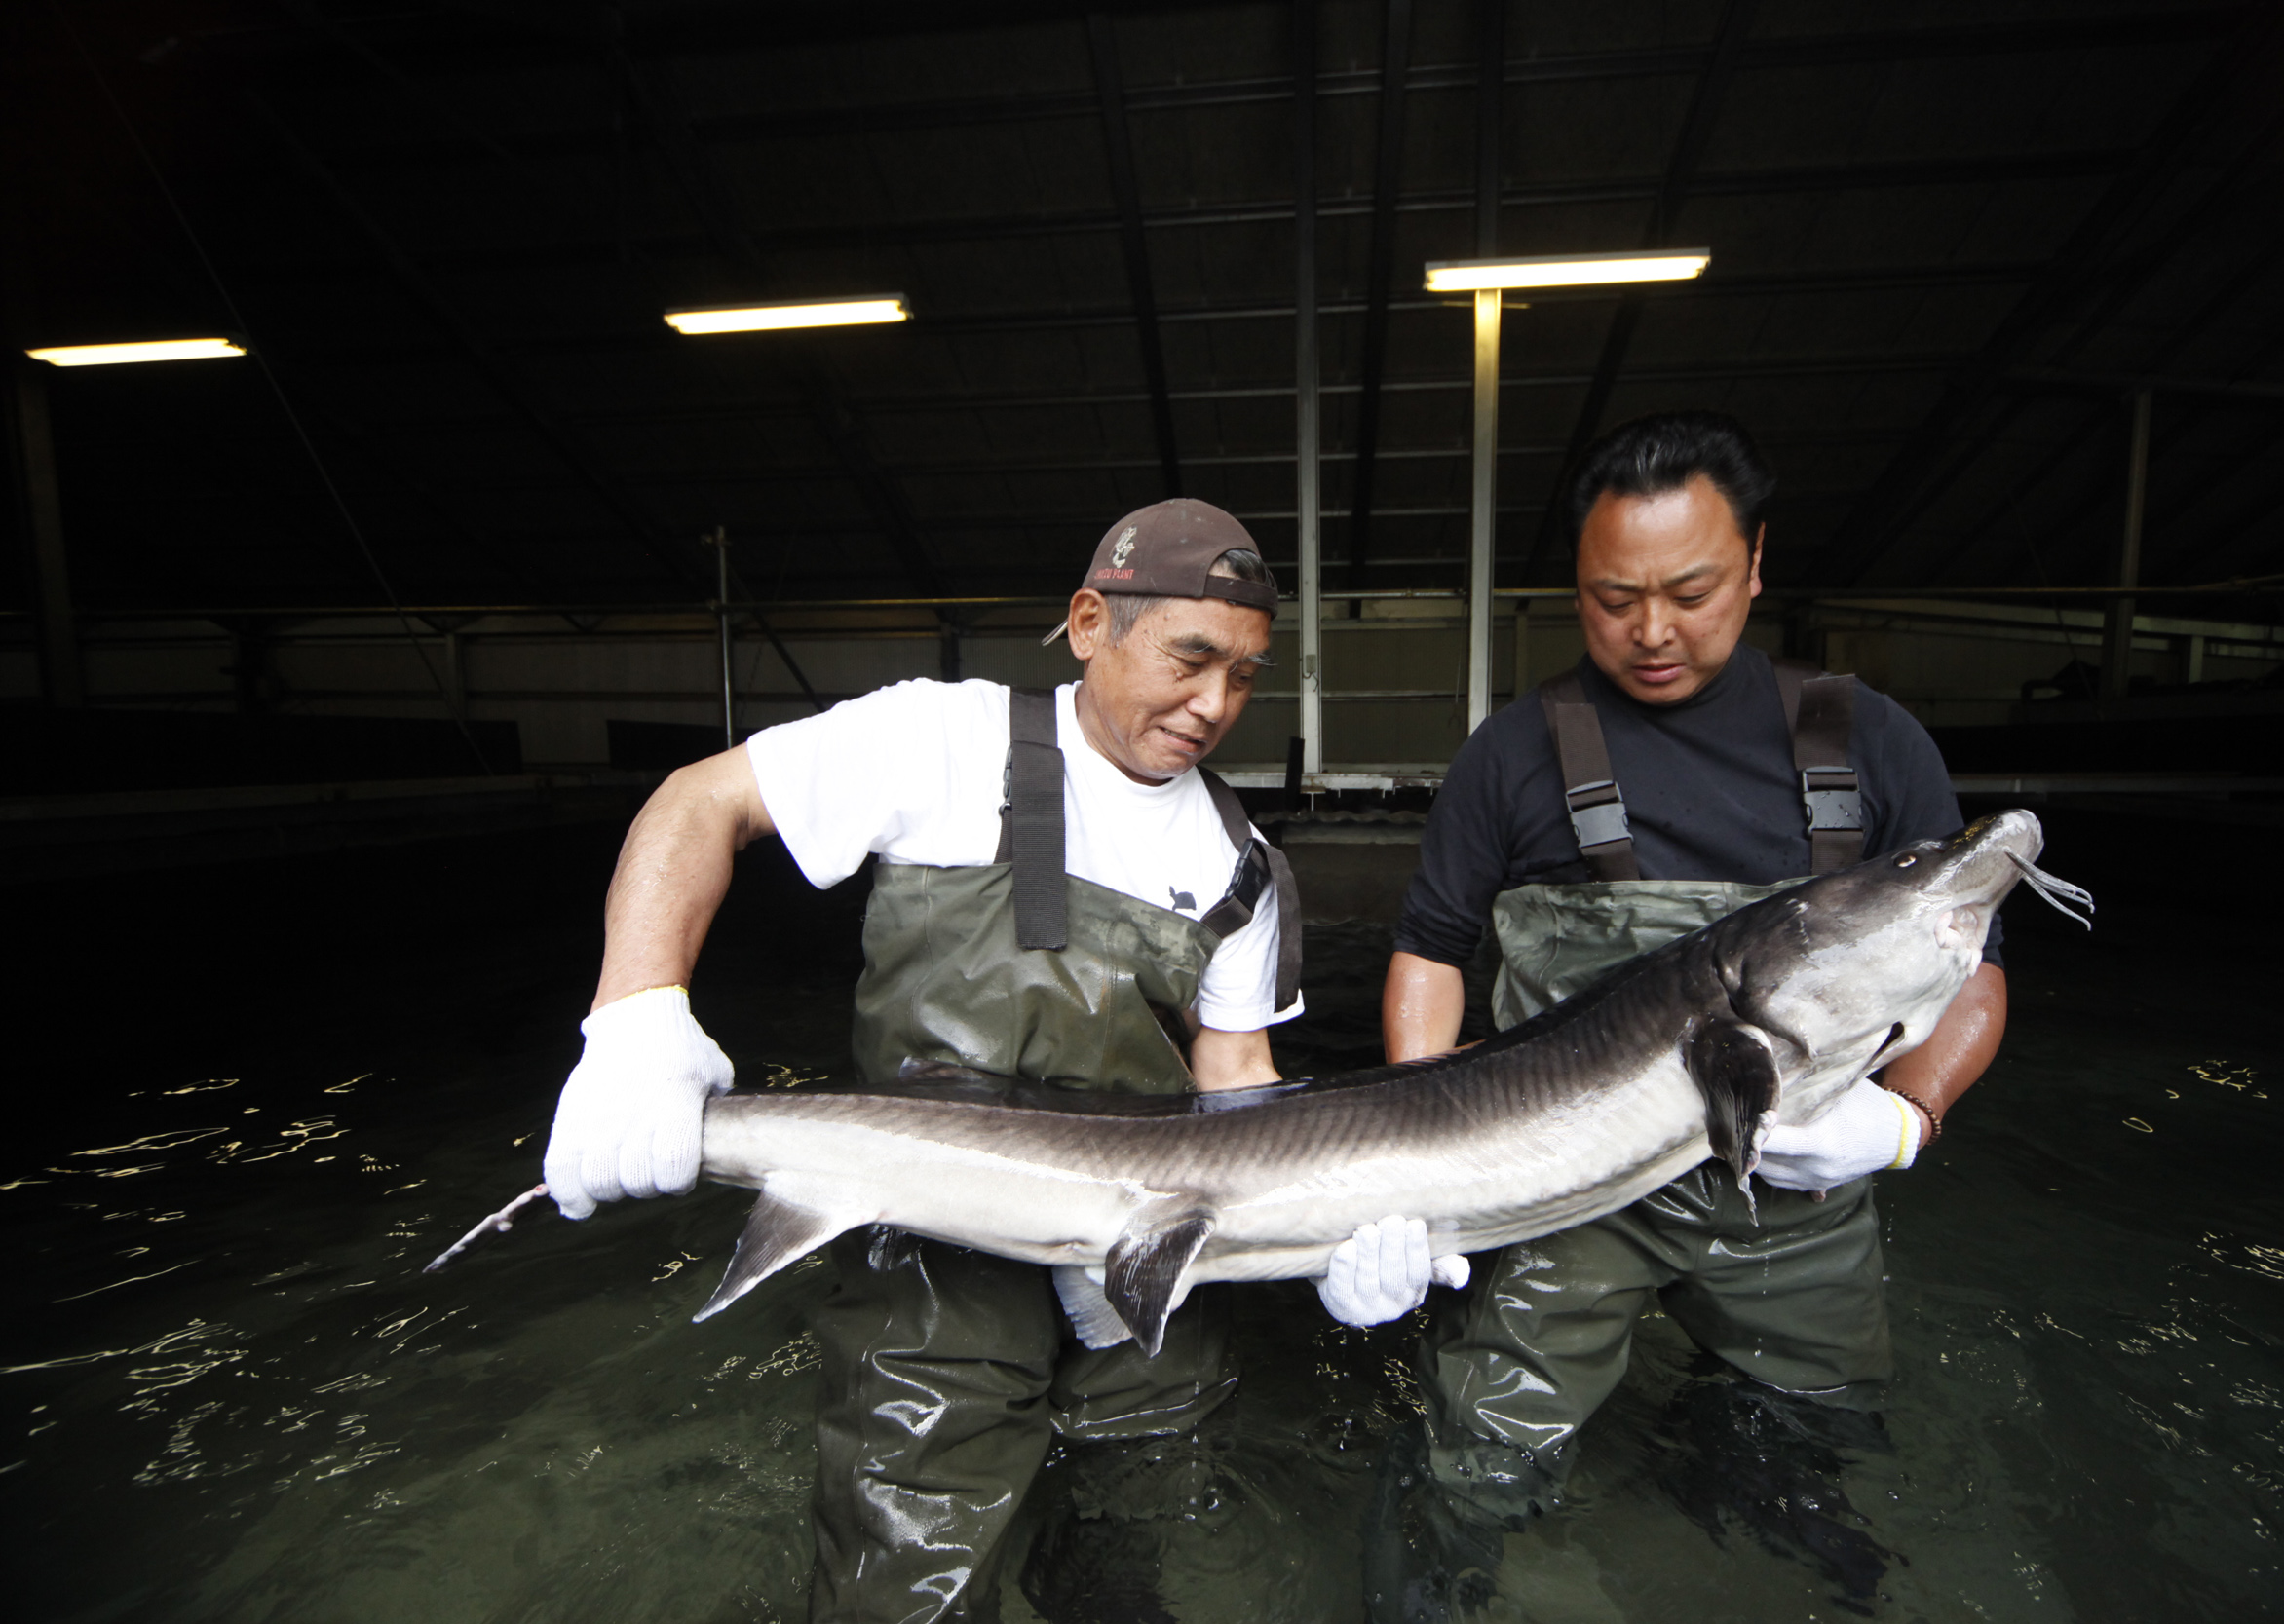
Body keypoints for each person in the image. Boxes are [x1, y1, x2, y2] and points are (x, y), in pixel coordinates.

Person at [538, 498, 1311, 1623]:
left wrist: (1318, 1231)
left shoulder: (1245, 862)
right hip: (933, 1254)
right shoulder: (940, 737)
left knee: (1128, 1554)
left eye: (1245, 676)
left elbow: (1235, 1074)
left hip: (1146, 1269)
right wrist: (636, 1019)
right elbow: (696, 801)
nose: (1213, 705)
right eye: (1192, 658)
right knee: (906, 1588)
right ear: (1090, 621)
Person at [1357, 410, 2010, 1615]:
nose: (1651, 629)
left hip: (1797, 1194)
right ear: (1575, 588)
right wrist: (1423, 1151)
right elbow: (1430, 952)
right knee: (1473, 1464)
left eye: (1690, 589)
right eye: (1612, 599)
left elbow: (1974, 968)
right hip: (1565, 1186)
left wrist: (1909, 1118)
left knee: (1804, 1467)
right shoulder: (1510, 753)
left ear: (1755, 563)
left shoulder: (1867, 737)